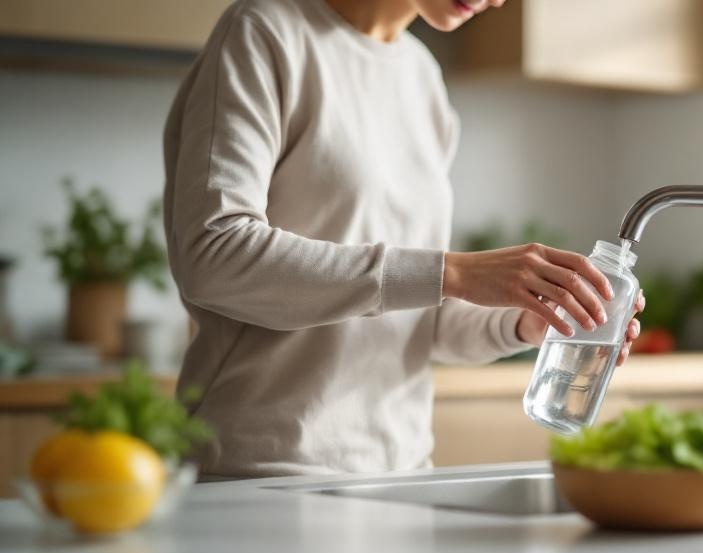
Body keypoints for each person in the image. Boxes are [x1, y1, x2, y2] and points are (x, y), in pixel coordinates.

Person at [162, 0, 644, 479]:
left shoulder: (422, 78)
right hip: (261, 472)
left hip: (400, 470)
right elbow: (212, 254)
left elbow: (417, 319)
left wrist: (527, 319)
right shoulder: (265, 33)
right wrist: (452, 272)